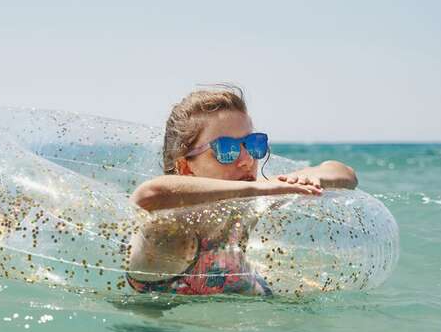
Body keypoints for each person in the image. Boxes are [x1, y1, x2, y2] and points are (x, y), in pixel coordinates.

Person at [126, 85, 358, 295]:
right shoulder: (169, 230)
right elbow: (149, 194)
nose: (247, 160)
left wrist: (305, 179)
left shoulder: (249, 201)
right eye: (226, 149)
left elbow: (343, 172)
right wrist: (257, 188)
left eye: (253, 144)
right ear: (185, 166)